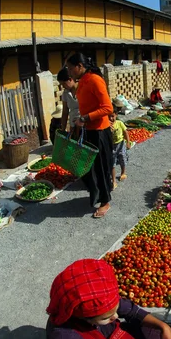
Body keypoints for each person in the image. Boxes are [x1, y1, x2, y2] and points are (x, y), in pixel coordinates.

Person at [67, 53, 113, 218]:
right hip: (88, 129)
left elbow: (108, 108)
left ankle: (105, 201)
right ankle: (99, 193)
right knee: (88, 168)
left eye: (71, 69)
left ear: (80, 66)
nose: (70, 73)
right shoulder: (82, 82)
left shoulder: (95, 80)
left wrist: (85, 117)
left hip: (100, 131)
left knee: (100, 169)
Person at [109, 108, 131, 190]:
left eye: (112, 116)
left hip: (120, 144)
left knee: (122, 158)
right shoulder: (107, 126)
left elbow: (125, 132)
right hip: (111, 146)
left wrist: (128, 142)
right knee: (112, 163)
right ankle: (113, 181)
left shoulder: (119, 123)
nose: (111, 119)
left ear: (116, 115)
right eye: (109, 117)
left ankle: (123, 172)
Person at [57, 67, 79, 133]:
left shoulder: (83, 88)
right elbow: (65, 112)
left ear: (70, 79)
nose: (63, 86)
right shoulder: (65, 93)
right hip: (73, 125)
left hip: (85, 125)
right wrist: (63, 129)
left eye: (64, 84)